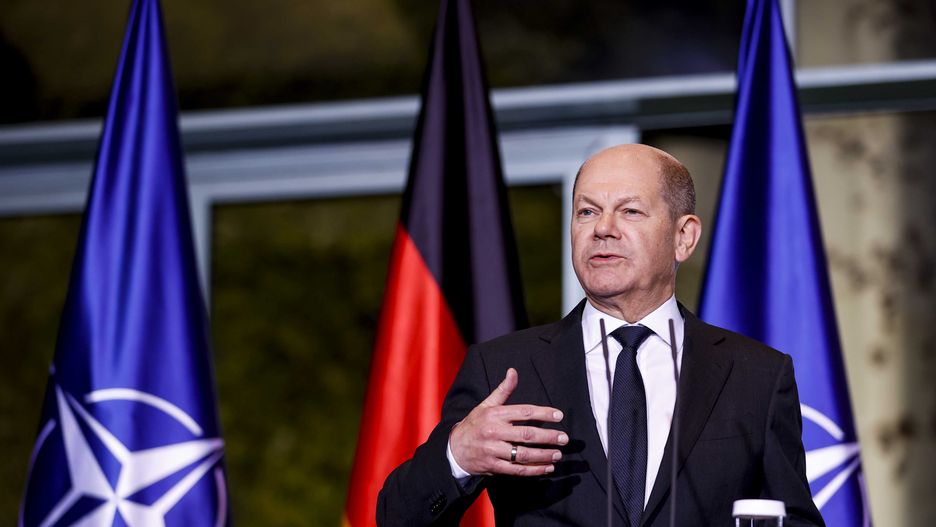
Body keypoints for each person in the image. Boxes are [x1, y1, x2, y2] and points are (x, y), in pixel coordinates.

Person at [377, 144, 824, 526]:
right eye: (587, 211)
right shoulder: (503, 368)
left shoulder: (757, 376)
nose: (602, 228)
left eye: (629, 210)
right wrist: (458, 455)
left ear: (683, 237)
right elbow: (397, 516)